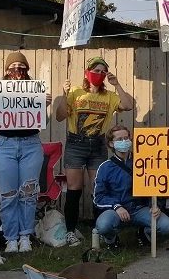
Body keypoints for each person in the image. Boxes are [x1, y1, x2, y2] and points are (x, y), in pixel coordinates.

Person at [54, 56, 134, 247]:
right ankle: (71, 231)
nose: (98, 74)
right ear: (86, 72)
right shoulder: (75, 92)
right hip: (76, 143)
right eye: (95, 70)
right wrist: (65, 96)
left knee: (98, 188)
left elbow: (128, 105)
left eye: (102, 71)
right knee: (74, 189)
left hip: (98, 145)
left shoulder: (110, 97)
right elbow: (59, 116)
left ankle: (100, 229)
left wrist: (117, 84)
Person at [0, 51, 51, 253]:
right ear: (7, 70)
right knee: (8, 194)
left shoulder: (34, 91)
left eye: (22, 68)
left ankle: (25, 236)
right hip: (4, 145)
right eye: (13, 68)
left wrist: (44, 106)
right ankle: (11, 238)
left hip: (31, 144)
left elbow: (43, 123)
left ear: (27, 70)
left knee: (29, 193)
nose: (17, 71)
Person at [94, 125, 169, 247]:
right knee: (103, 225)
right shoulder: (105, 168)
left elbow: (154, 185)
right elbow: (98, 197)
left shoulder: (144, 161)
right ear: (111, 144)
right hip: (115, 210)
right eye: (120, 139)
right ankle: (111, 239)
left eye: (126, 138)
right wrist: (116, 206)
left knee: (166, 226)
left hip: (139, 208)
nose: (124, 141)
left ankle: (144, 232)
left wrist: (155, 205)